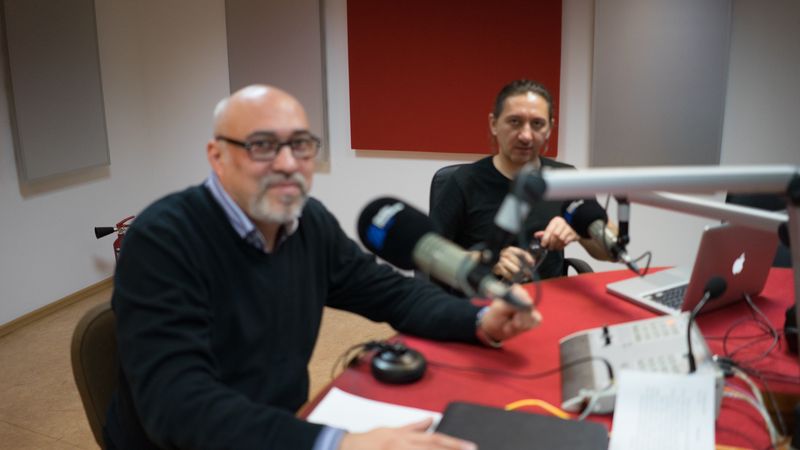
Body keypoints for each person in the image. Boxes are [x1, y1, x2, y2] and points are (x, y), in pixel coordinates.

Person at [104, 84, 541, 450]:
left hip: (280, 428)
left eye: (300, 145)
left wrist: (479, 318)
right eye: (262, 146)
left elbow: (392, 293)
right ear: (217, 156)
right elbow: (179, 407)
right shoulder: (164, 240)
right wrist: (337, 443)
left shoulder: (308, 223)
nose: (287, 164)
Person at [431, 79, 610, 281]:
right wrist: (485, 260)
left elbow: (609, 252)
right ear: (494, 124)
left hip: (549, 297)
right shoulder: (464, 181)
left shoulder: (566, 179)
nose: (526, 136)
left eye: (537, 124)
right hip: (485, 296)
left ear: (550, 128)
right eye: (515, 122)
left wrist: (581, 232)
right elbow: (430, 254)